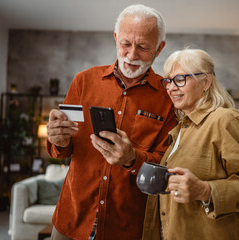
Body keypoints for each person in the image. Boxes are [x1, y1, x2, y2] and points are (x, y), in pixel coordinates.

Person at [46, 4, 177, 240]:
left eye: (144, 47)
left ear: (159, 49)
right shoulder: (83, 81)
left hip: (127, 227)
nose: (132, 54)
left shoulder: (169, 99)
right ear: (116, 38)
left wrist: (132, 159)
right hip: (72, 219)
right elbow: (62, 151)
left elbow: (166, 169)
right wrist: (58, 139)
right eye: (126, 44)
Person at [142, 49, 239, 240]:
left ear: (206, 82)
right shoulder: (182, 127)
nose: (171, 88)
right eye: (168, 81)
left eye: (180, 79)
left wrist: (205, 190)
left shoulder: (226, 121)